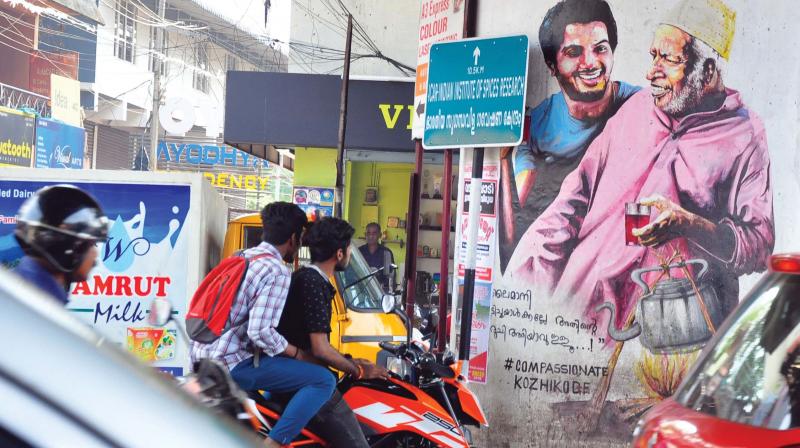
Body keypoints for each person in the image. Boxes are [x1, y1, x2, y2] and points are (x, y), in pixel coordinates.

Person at [508, 0, 774, 333]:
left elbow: (759, 242)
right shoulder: (636, 109)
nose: (651, 73)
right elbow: (571, 202)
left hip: (667, 337)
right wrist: (521, 293)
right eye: (653, 57)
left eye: (669, 60)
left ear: (706, 73)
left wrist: (688, 224)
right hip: (579, 318)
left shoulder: (745, 134)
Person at [190, 202, 335, 448]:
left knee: (281, 367)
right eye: (300, 238)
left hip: (203, 355)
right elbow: (260, 332)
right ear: (293, 238)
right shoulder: (276, 270)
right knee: (323, 380)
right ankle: (274, 442)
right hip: (233, 364)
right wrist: (299, 354)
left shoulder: (242, 256)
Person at [512, 0, 639, 216]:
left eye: (600, 49)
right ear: (552, 66)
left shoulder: (639, 106)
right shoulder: (538, 123)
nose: (590, 62)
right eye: (573, 52)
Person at [279, 217, 390, 447]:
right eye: (348, 248)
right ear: (339, 254)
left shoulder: (305, 277)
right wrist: (358, 370)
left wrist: (350, 360)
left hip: (298, 373)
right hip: (307, 382)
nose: (350, 252)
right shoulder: (314, 283)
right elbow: (320, 349)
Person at [13, 185, 109, 305]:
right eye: (92, 245)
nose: (95, 256)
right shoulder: (40, 306)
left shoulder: (21, 284)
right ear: (72, 248)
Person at [358, 222, 395, 290]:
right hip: (361, 290)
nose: (371, 236)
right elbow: (354, 273)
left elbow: (390, 277)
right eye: (368, 233)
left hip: (380, 292)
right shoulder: (359, 252)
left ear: (380, 235)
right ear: (365, 235)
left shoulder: (386, 253)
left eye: (374, 233)